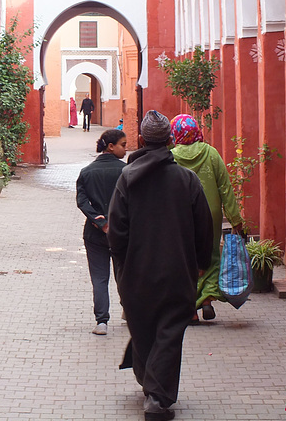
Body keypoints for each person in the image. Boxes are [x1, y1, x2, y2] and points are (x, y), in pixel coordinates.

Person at [107, 110, 213, 421]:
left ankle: (152, 389)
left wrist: (122, 268)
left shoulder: (127, 179)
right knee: (169, 331)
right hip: (177, 271)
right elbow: (203, 226)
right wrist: (200, 264)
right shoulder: (186, 179)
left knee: (144, 328)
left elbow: (117, 229)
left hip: (136, 274)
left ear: (140, 140)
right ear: (169, 141)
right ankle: (156, 394)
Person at [170, 114, 243, 323]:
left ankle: (191, 310)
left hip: (181, 216)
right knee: (210, 257)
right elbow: (225, 188)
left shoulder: (172, 156)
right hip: (210, 215)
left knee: (186, 260)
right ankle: (206, 301)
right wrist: (235, 218)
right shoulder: (211, 153)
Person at [76, 129, 127, 335]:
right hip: (123, 232)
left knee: (99, 277)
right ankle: (129, 313)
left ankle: (101, 322)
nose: (125, 149)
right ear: (111, 146)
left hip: (94, 233)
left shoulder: (87, 172)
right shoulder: (127, 171)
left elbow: (82, 202)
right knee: (123, 274)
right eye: (123, 145)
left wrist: (100, 221)